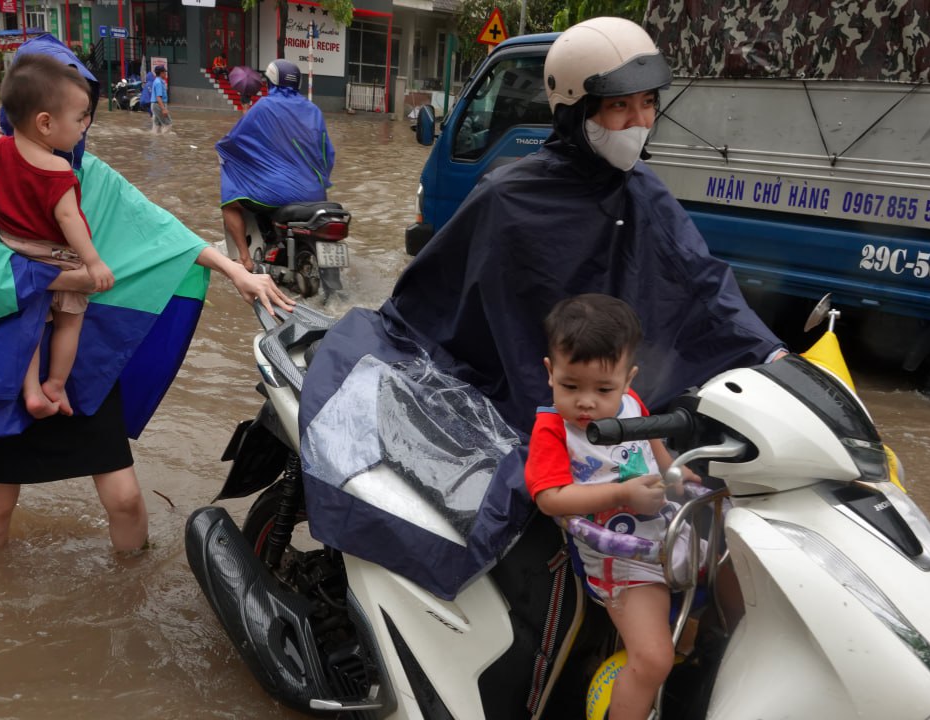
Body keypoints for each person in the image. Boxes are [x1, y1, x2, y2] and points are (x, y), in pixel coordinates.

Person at [295, 16, 783, 597]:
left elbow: (702, 281)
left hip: (608, 389)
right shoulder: (509, 197)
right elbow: (463, 305)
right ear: (577, 111)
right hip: (523, 385)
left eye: (648, 104)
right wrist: (544, 404)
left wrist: (772, 355)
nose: (640, 123)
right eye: (620, 107)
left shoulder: (643, 192)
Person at [0, 34, 293, 553]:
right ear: (41, 113)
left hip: (78, 362)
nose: (85, 123)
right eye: (77, 110)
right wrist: (73, 280)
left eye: (86, 110)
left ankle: (130, 590)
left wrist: (236, 271)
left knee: (127, 499)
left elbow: (161, 233)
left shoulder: (88, 174)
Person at [525, 294, 699, 720]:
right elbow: (551, 499)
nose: (587, 402)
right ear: (551, 373)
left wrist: (676, 471)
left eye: (603, 389)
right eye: (571, 386)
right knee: (653, 658)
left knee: (735, 564)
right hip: (619, 559)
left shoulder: (630, 403)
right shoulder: (552, 430)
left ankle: (700, 664)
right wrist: (623, 495)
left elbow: (651, 435)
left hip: (664, 530)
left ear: (627, 379)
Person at [0, 53, 115, 420]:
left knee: (29, 323)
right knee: (70, 320)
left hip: (13, 256)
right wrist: (94, 261)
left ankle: (31, 390)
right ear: (46, 123)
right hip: (56, 257)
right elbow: (70, 220)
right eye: (80, 117)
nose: (85, 125)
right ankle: (55, 383)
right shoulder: (58, 169)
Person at [216, 59, 334, 271]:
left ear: (270, 83)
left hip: (275, 194)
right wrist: (320, 181)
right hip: (316, 195)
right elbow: (327, 154)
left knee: (230, 202)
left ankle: (245, 259)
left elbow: (234, 141)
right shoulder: (314, 110)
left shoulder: (263, 106)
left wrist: (222, 147)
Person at [149, 65, 171, 133]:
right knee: (168, 124)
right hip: (158, 105)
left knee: (157, 125)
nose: (165, 74)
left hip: (155, 105)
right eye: (164, 72)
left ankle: (155, 140)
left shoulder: (158, 81)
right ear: (161, 73)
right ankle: (164, 140)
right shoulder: (158, 83)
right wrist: (163, 109)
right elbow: (158, 97)